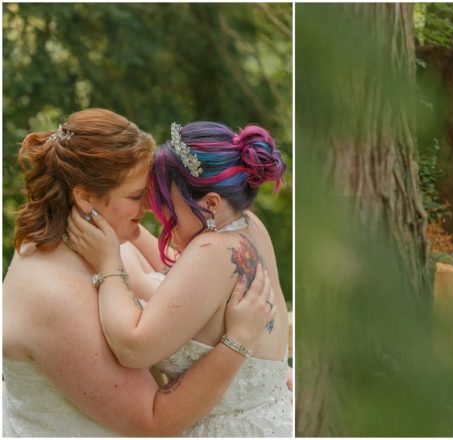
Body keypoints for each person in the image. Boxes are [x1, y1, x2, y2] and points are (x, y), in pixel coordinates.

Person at [2, 108, 276, 436]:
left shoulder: (105, 241)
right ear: (86, 198)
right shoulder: (54, 292)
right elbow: (152, 420)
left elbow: (180, 279)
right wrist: (238, 343)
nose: (149, 206)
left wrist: (265, 377)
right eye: (135, 196)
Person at [67, 120, 292, 436]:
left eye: (170, 211)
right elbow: (186, 282)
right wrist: (124, 227)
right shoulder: (248, 226)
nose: (165, 223)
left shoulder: (212, 251)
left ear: (210, 203)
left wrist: (108, 264)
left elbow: (133, 348)